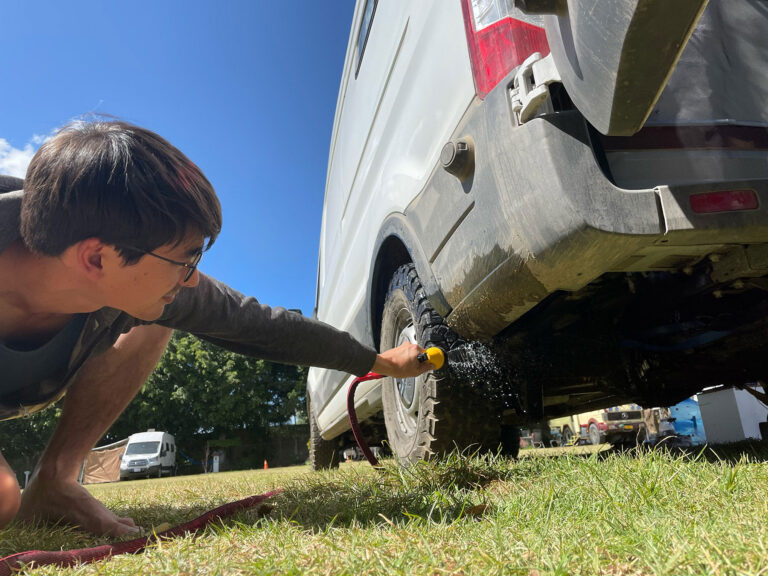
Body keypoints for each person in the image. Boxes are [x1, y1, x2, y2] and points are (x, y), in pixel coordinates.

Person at [0, 120, 434, 536]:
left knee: (153, 319)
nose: (191, 279)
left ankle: (55, 482)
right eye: (184, 260)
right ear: (96, 258)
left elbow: (258, 324)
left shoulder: (135, 273)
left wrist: (376, 361)